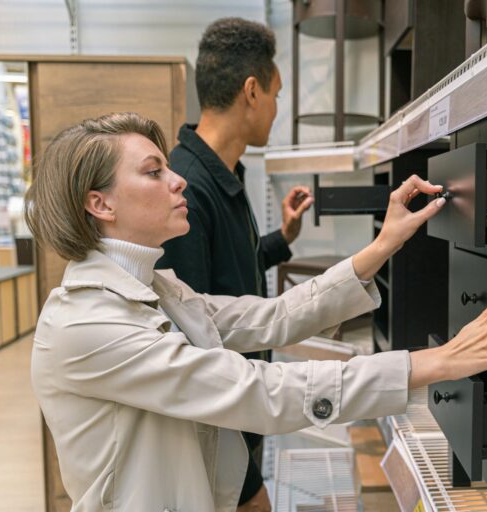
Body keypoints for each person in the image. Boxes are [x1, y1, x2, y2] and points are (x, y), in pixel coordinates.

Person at [25, 112, 487, 512]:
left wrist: (383, 245)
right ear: (101, 205)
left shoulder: (159, 288)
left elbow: (271, 317)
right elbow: (254, 389)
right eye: (155, 172)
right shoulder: (85, 325)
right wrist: (432, 364)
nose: (177, 182)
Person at [156, 20, 310, 508]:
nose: (277, 109)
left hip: (243, 424)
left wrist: (281, 239)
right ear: (251, 91)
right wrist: (245, 484)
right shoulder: (187, 188)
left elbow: (229, 278)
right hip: (221, 444)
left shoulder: (223, 175)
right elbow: (194, 339)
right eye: (276, 94)